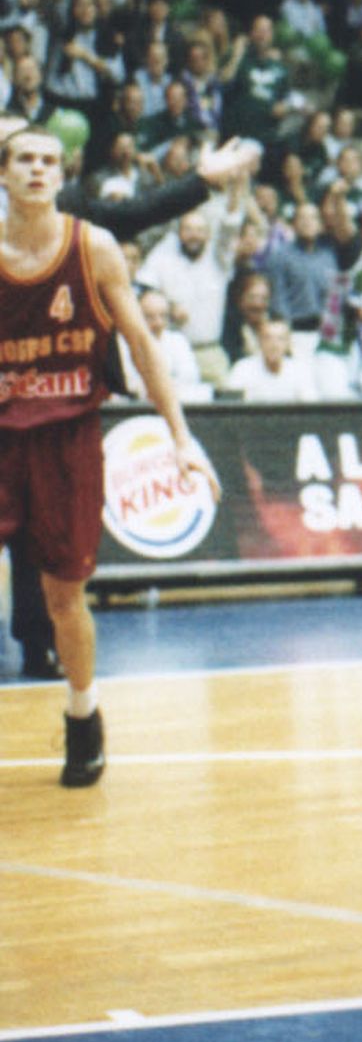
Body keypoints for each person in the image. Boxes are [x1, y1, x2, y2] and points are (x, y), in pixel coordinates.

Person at [0, 123, 219, 782]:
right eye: (24, 160)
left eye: (49, 161)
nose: (38, 170)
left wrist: (181, 436)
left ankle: (82, 713)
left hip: (68, 437)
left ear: (62, 176)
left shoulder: (93, 248)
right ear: (3, 175)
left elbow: (144, 349)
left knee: (64, 596)